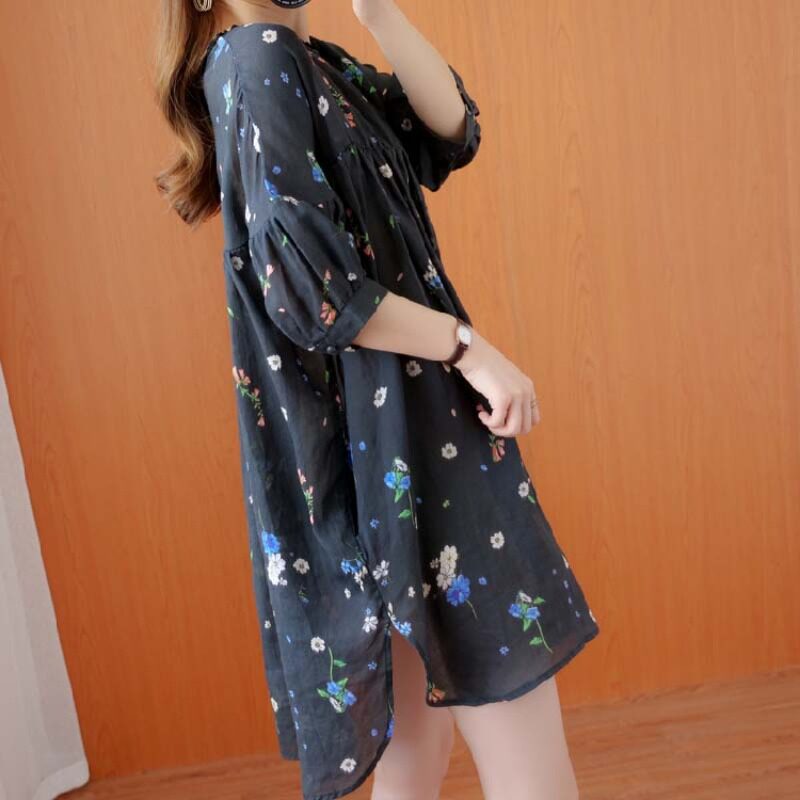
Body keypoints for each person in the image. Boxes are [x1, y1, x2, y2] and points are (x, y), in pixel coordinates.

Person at [155, 1, 600, 798]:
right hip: (402, 447)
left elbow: (449, 131)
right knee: (525, 764)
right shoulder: (257, 60)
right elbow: (313, 291)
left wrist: (379, 11)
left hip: (381, 454)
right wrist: (470, 348)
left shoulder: (312, 62)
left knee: (414, 755)